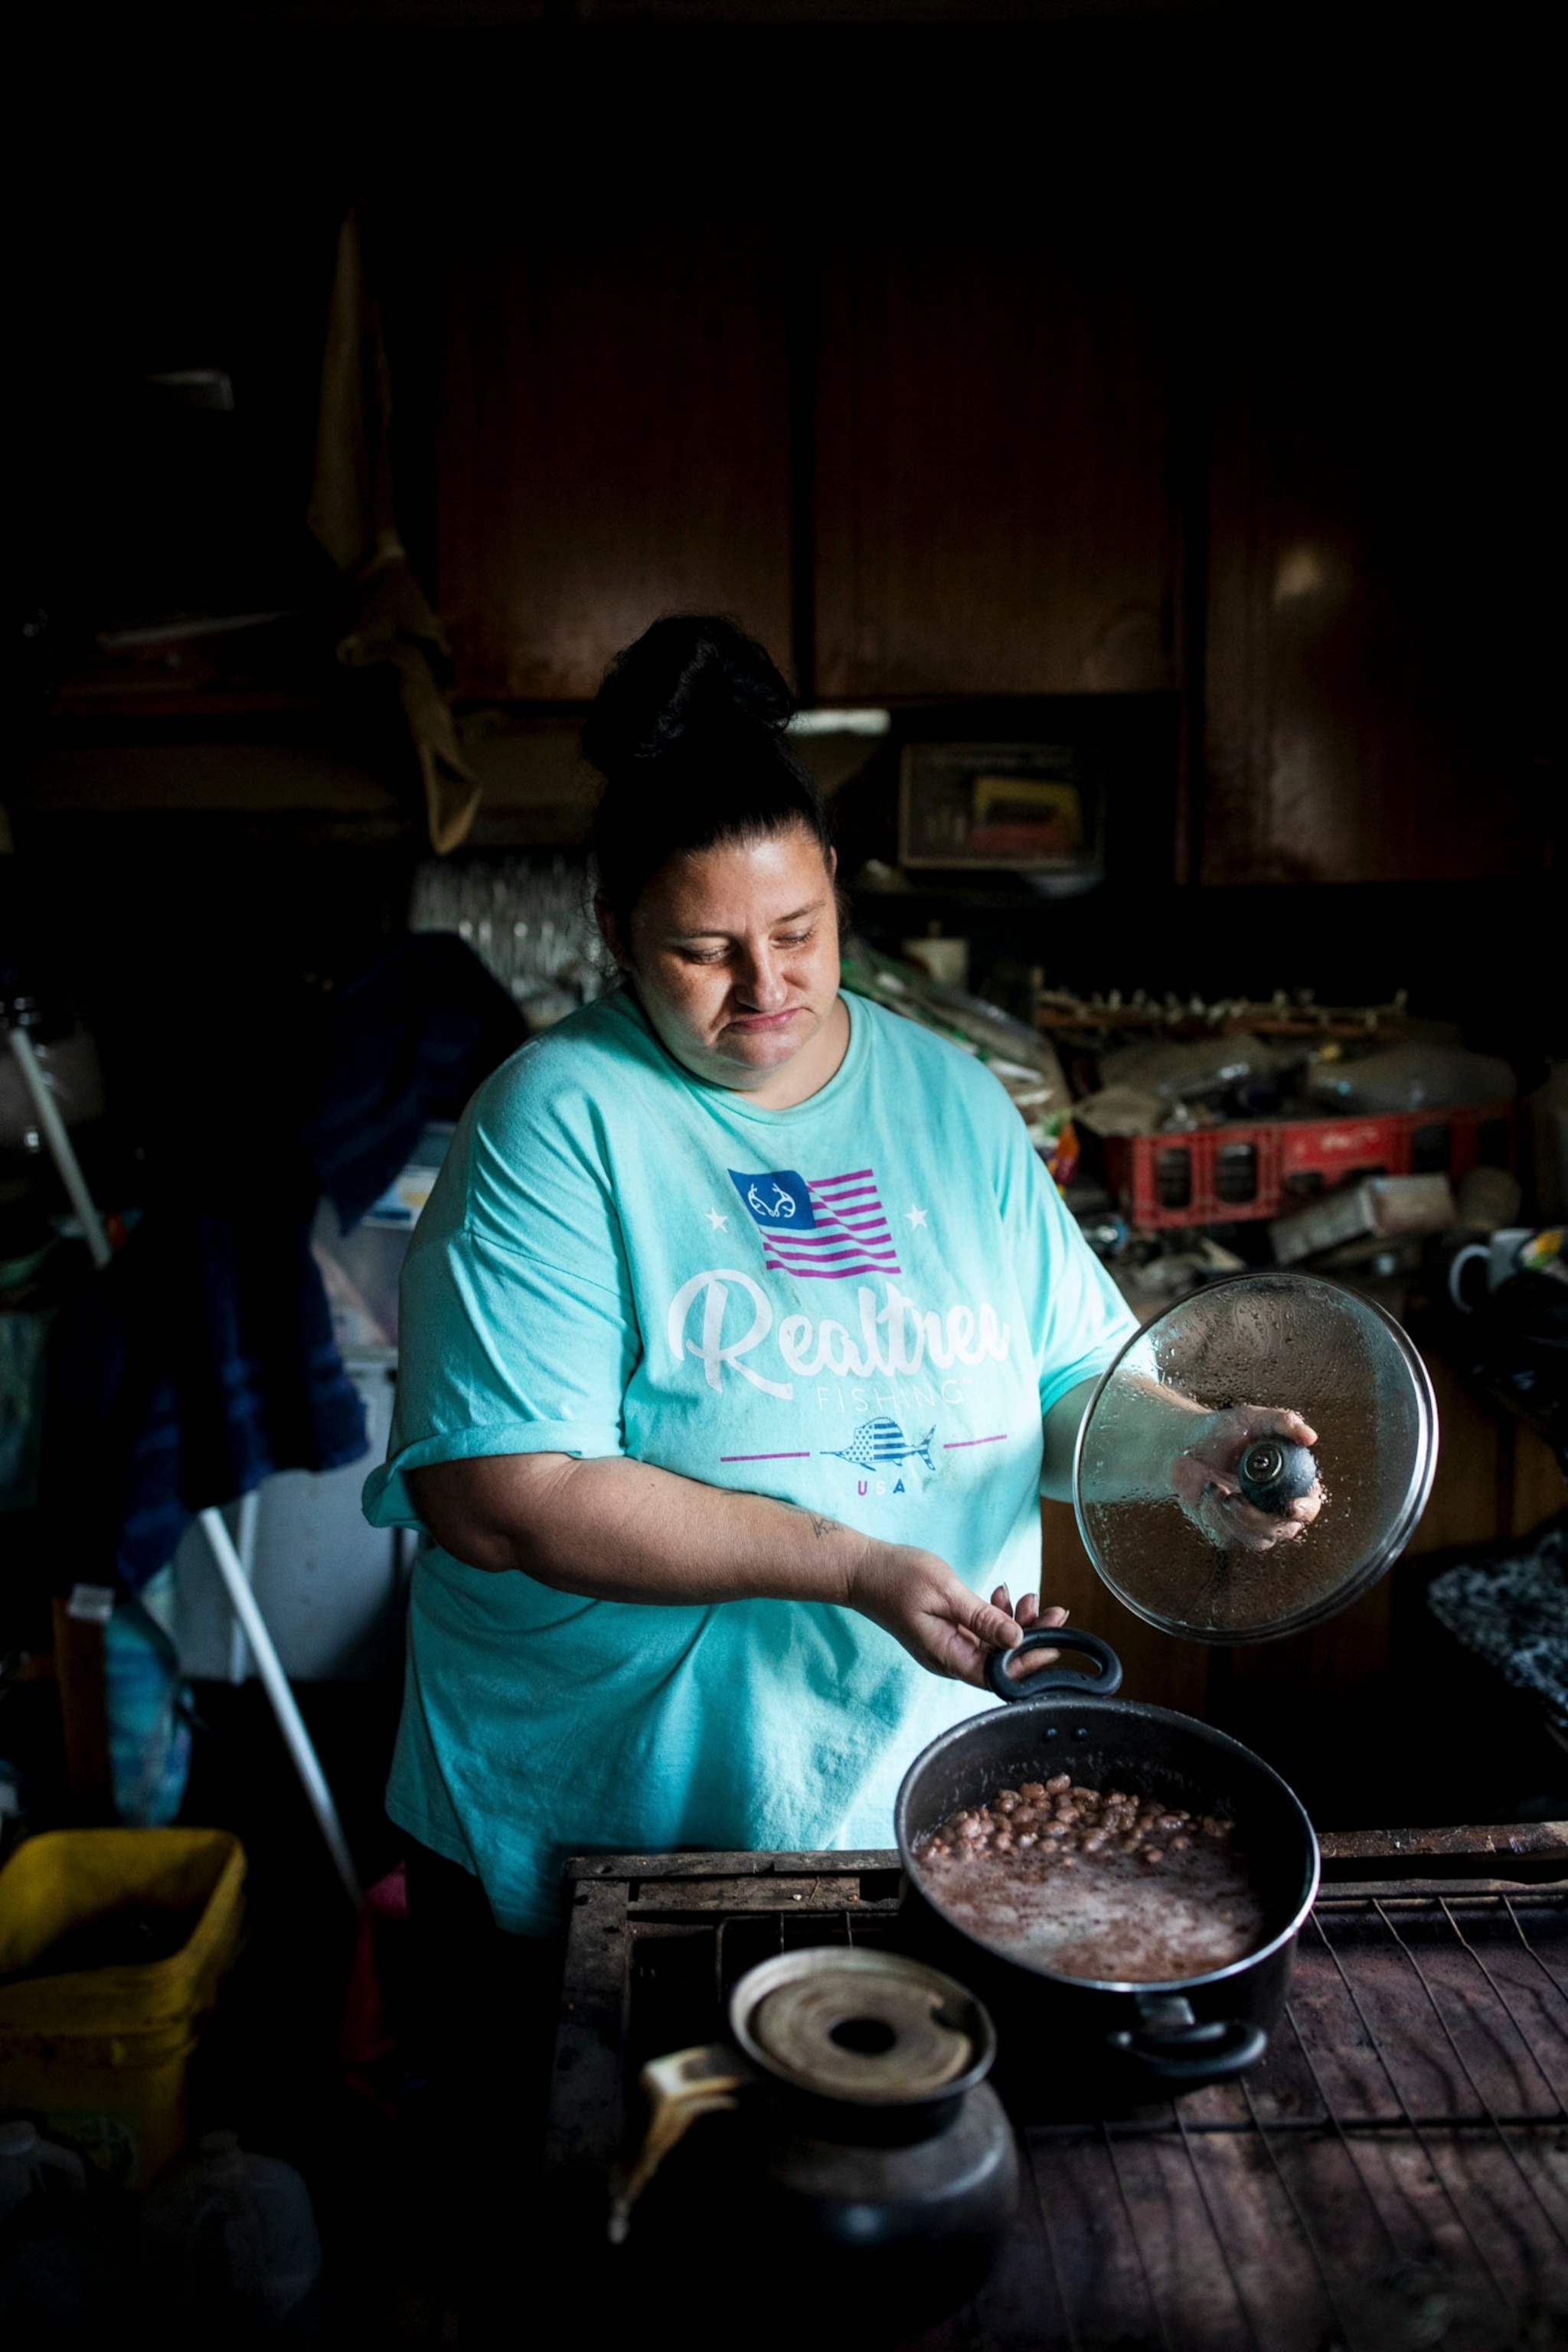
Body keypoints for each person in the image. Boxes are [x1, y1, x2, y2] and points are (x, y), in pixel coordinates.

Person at [364, 615, 1320, 1951]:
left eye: (798, 931)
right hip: (614, 1810)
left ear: (838, 897)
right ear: (615, 934)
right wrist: (848, 1563)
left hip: (895, 1794)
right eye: (705, 950)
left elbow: (1066, 1380)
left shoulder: (948, 1098)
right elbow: (509, 1498)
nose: (766, 986)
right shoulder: (559, 1120)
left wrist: (1189, 1447)